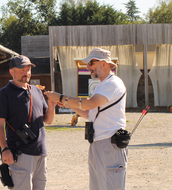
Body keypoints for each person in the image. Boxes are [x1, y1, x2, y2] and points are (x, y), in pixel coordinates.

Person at [45, 48, 128, 190]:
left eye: (91, 63)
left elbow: (89, 103)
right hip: (99, 143)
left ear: (103, 63)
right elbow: (89, 114)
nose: (88, 67)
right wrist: (65, 103)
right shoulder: (102, 85)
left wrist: (61, 98)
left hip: (110, 144)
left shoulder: (113, 83)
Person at [0, 55, 55, 190]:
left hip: (41, 152)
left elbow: (48, 120)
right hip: (21, 154)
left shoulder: (37, 91)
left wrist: (51, 104)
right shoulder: (5, 93)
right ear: (12, 72)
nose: (26, 73)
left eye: (28, 69)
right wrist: (5, 149)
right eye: (21, 69)